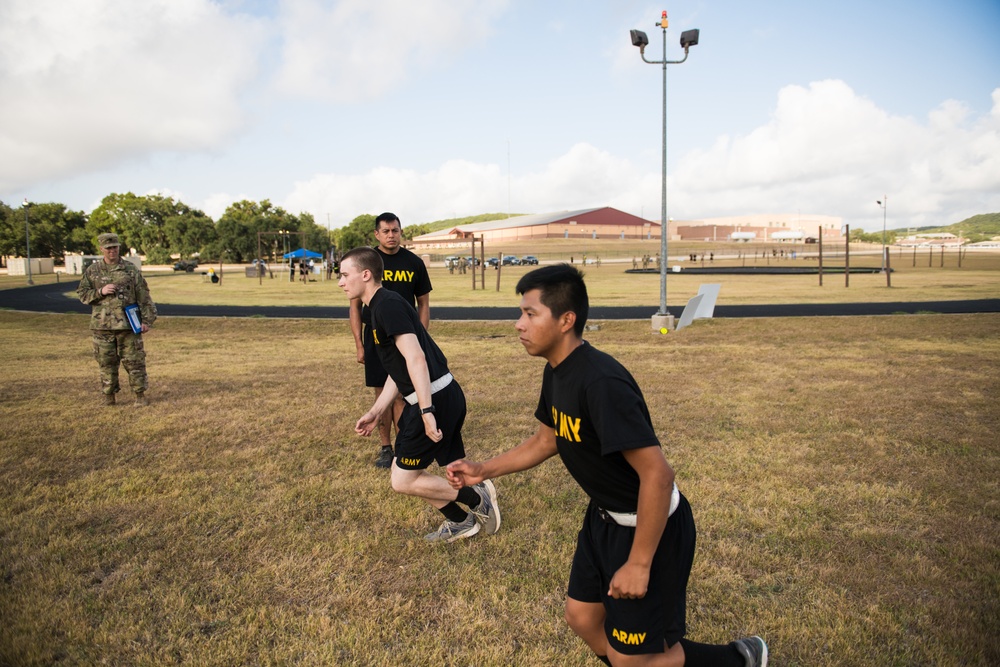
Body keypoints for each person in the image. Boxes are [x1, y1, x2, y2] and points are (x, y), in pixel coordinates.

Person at [447, 264, 767, 666]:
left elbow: (658, 474)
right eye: (521, 313)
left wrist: (638, 562)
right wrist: (483, 470)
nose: (518, 325)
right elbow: (547, 440)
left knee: (632, 658)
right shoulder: (557, 371)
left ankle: (739, 660)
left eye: (530, 314)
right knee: (582, 618)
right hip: (603, 520)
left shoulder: (601, 383)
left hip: (648, 528)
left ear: (567, 320)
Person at [339, 247, 500, 543]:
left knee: (402, 479)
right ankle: (461, 521)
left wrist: (427, 412)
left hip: (434, 398)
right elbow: (399, 370)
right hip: (428, 398)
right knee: (412, 475)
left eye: (345, 275)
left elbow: (416, 359)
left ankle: (476, 497)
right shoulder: (375, 307)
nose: (340, 282)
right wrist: (376, 411)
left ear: (365, 274)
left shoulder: (386, 305)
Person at [348, 212, 432, 469]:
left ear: (401, 232)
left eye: (395, 230)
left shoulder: (414, 263)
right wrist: (359, 344)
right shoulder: (367, 261)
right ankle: (386, 448)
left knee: (402, 395)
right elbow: (353, 307)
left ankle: (403, 447)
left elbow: (424, 304)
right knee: (380, 394)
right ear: (376, 234)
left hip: (404, 336)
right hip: (375, 336)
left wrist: (421, 336)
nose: (391, 235)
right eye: (385, 231)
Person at [76, 232, 158, 406]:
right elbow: (82, 294)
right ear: (101, 249)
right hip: (102, 326)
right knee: (106, 363)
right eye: (108, 248)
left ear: (119, 247)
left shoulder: (130, 269)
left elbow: (143, 295)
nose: (112, 251)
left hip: (128, 326)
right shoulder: (93, 271)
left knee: (135, 362)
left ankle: (140, 396)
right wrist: (100, 292)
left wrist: (147, 320)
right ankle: (109, 396)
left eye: (114, 247)